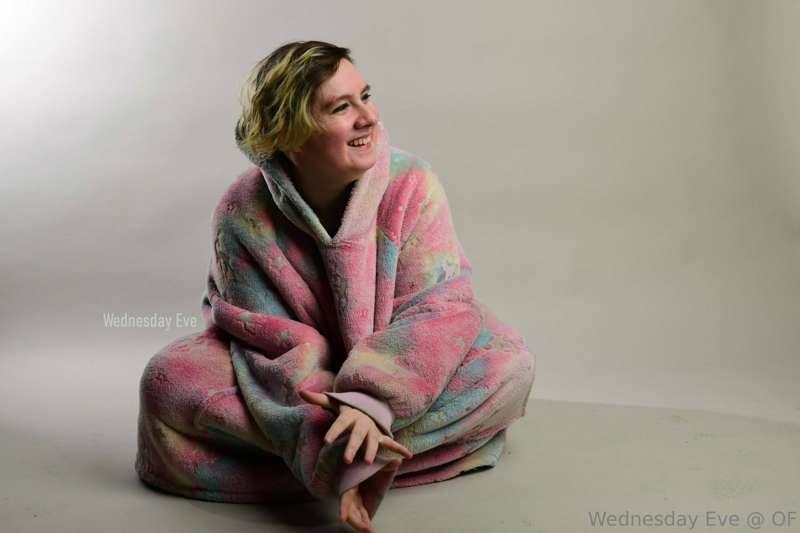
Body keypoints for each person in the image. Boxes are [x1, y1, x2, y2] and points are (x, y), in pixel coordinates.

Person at [136, 40, 535, 533]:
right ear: (291, 136)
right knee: (168, 380)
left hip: (406, 367)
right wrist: (335, 420)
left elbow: (437, 309)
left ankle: (337, 452)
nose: (368, 117)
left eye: (365, 96)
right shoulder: (243, 211)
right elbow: (268, 342)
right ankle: (359, 454)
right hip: (291, 384)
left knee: (509, 366)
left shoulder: (412, 183)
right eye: (341, 108)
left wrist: (371, 400)